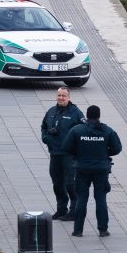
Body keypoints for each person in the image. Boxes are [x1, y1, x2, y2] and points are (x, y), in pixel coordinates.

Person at [62, 104, 122, 238]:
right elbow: (117, 149)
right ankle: (103, 230)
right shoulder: (107, 131)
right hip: (101, 169)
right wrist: (105, 152)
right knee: (100, 198)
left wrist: (77, 153)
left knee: (81, 199)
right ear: (99, 115)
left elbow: (66, 147)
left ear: (87, 115)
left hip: (82, 168)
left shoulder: (77, 130)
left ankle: (78, 230)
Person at [40, 88, 85, 221]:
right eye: (59, 95)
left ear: (69, 97)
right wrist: (45, 138)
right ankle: (61, 210)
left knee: (71, 184)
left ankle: (74, 211)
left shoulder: (76, 113)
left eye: (63, 96)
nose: (61, 98)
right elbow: (43, 126)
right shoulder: (51, 111)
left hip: (69, 155)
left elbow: (83, 131)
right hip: (54, 154)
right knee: (57, 184)